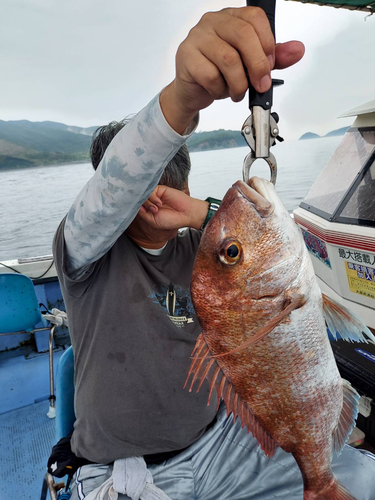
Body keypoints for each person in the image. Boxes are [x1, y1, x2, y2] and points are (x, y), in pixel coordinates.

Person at [53, 7, 375, 500]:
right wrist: (182, 99)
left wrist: (201, 214)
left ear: (181, 182)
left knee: (363, 481)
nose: (148, 200)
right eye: (132, 192)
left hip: (223, 441)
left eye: (165, 186)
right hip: (128, 470)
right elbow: (114, 191)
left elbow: (243, 241)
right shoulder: (83, 256)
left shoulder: (209, 253)